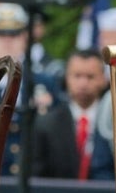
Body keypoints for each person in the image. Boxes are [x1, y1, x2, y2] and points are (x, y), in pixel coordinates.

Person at [0, 1, 57, 184]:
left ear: (26, 38)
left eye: (15, 34)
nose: (8, 40)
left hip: (33, 181)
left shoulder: (45, 83)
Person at [31, 49, 110, 180]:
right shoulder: (46, 124)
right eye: (77, 76)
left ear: (104, 79)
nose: (83, 84)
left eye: (90, 77)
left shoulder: (115, 122)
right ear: (66, 78)